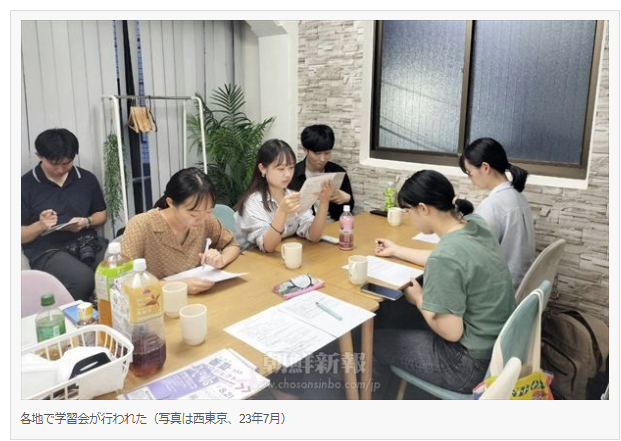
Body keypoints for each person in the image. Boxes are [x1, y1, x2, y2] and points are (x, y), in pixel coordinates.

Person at [372, 170, 515, 397]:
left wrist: (419, 298)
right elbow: (449, 258)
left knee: (371, 343)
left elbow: (451, 332)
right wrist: (397, 250)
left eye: (408, 211)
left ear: (423, 209)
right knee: (397, 315)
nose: (409, 217)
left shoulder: (446, 257)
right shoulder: (474, 224)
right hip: (497, 347)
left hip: (467, 365)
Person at [121, 167, 241, 295]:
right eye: (193, 214)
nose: (202, 219)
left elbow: (232, 244)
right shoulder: (141, 226)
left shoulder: (207, 221)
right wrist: (178, 286)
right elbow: (123, 282)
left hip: (201, 297)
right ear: (171, 203)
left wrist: (221, 259)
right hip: (155, 302)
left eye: (208, 211)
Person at [21, 128, 108, 302]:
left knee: (114, 269)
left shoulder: (86, 179)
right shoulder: (25, 185)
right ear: (39, 156)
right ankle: (72, 316)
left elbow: (101, 214)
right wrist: (40, 225)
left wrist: (87, 221)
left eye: (67, 163)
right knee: (83, 280)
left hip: (86, 241)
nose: (61, 169)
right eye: (54, 164)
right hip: (46, 250)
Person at [460, 137, 535, 289]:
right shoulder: (519, 196)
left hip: (498, 291)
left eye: (469, 172)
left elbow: (468, 258)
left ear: (485, 167)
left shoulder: (492, 206)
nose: (469, 179)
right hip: (519, 286)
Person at [235, 139, 333, 252]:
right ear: (263, 169)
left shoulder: (292, 195)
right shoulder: (253, 202)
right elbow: (268, 246)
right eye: (280, 169)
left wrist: (324, 202)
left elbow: (314, 236)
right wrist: (282, 212)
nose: (287, 174)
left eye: (291, 167)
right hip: (252, 258)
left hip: (280, 254)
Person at [288, 124, 354, 221]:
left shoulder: (338, 172)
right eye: (317, 153)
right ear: (305, 150)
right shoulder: (292, 175)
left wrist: (347, 199)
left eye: (327, 153)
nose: (322, 159)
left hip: (333, 225)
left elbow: (348, 210)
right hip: (303, 226)